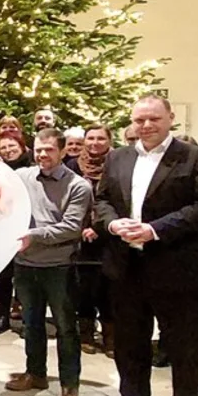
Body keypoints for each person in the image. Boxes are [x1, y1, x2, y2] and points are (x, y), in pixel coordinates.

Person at [95, 95, 198, 396]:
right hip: (126, 265)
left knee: (183, 349)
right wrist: (112, 222)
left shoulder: (195, 157)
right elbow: (102, 200)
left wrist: (155, 229)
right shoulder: (118, 157)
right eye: (139, 120)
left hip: (176, 265)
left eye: (153, 119)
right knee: (130, 342)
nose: (146, 126)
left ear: (170, 118)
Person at [4, 128, 93, 396]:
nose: (43, 155)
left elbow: (71, 228)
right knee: (31, 324)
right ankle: (35, 374)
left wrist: (34, 235)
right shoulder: (21, 177)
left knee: (66, 328)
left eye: (49, 150)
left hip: (59, 267)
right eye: (38, 149)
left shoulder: (78, 186)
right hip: (25, 264)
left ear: (63, 150)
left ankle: (70, 387)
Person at [75, 125, 114, 356]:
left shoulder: (117, 164)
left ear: (109, 140)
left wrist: (99, 227)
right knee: (84, 290)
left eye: (101, 138)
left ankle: (111, 337)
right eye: (90, 138)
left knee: (108, 291)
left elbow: (119, 199)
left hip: (109, 237)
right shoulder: (73, 165)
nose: (95, 143)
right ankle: (86, 334)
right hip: (79, 238)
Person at [0, 135, 34, 335]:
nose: (8, 150)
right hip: (3, 227)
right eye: (3, 147)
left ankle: (28, 321)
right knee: (2, 275)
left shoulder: (33, 165)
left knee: (26, 277)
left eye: (12, 145)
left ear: (22, 146)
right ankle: (2, 315)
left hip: (29, 227)